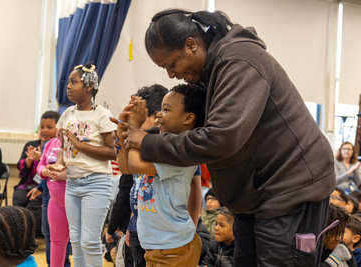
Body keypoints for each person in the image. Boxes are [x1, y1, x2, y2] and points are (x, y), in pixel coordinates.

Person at [122, 9, 336, 266]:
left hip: (290, 189)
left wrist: (143, 140)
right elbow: (188, 131)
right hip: (254, 196)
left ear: (191, 45)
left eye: (172, 64)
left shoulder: (239, 59)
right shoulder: (211, 71)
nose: (171, 74)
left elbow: (221, 138)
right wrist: (136, 134)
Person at [116, 83, 205, 266]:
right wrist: (123, 131)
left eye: (165, 110)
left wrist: (134, 127)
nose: (158, 115)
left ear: (188, 118)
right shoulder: (157, 143)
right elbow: (126, 168)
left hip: (174, 246)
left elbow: (135, 165)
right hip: (155, 244)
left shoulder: (182, 152)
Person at [52, 62, 116, 267]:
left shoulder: (102, 114)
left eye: (74, 82)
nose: (68, 87)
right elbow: (65, 149)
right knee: (76, 240)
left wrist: (80, 144)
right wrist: (59, 164)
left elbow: (111, 152)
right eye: (68, 83)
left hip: (96, 182)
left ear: (89, 86)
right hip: (72, 183)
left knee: (89, 240)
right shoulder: (67, 114)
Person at [13, 111, 61, 237]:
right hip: (28, 183)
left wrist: (41, 158)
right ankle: (16, 231)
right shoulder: (31, 145)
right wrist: (29, 160)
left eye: (49, 127)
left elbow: (56, 169)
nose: (44, 130)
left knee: (34, 202)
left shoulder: (59, 147)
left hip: (45, 186)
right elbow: (21, 168)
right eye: (42, 127)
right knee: (19, 197)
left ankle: (26, 235)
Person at [36, 137, 69, 267]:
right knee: (56, 240)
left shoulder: (80, 142)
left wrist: (64, 175)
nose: (60, 130)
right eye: (58, 128)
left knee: (81, 241)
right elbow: (41, 163)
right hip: (55, 200)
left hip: (77, 199)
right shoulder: (51, 143)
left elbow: (85, 170)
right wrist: (44, 171)